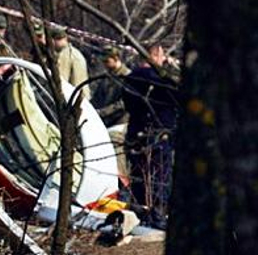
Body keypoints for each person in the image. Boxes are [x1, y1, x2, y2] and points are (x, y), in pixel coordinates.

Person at [122, 44, 180, 228]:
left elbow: (128, 105)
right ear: (155, 55)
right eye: (162, 55)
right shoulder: (163, 80)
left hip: (135, 133)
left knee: (138, 176)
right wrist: (171, 69)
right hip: (158, 134)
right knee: (158, 178)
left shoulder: (130, 78)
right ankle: (156, 217)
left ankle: (141, 214)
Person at [91, 46, 131, 178]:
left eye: (107, 61)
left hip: (121, 123)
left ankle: (122, 183)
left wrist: (102, 112)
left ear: (116, 59)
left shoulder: (127, 77)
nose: (105, 65)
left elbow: (123, 104)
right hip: (105, 122)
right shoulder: (107, 76)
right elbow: (97, 98)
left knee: (116, 152)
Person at [49, 25, 89, 90]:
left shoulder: (64, 55)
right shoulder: (76, 53)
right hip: (82, 95)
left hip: (71, 95)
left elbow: (61, 80)